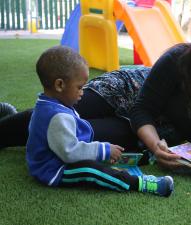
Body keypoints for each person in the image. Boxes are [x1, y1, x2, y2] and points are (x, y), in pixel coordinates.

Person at [0, 15, 191, 175]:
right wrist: (153, 143)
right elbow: (142, 108)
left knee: (79, 136)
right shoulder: (178, 59)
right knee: (60, 113)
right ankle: (6, 126)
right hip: (128, 93)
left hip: (155, 127)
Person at [26, 46, 174, 197]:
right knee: (91, 170)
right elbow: (69, 153)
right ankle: (139, 183)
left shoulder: (47, 103)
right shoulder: (57, 117)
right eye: (79, 87)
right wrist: (102, 149)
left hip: (58, 156)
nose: (82, 92)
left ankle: (142, 159)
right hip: (53, 168)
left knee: (105, 156)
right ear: (60, 85)